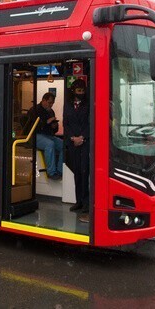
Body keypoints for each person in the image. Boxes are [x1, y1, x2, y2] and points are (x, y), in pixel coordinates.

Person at [64, 78, 90, 222]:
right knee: (76, 173)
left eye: (83, 91)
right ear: (73, 91)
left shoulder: (88, 105)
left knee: (84, 171)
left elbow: (90, 122)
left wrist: (83, 137)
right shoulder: (67, 105)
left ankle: (86, 203)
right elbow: (65, 123)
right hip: (73, 142)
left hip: (84, 143)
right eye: (78, 91)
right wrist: (72, 138)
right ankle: (78, 201)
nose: (81, 93)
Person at [26, 92, 63, 180]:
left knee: (63, 145)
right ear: (43, 100)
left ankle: (60, 170)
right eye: (50, 102)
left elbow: (54, 130)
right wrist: (47, 122)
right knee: (49, 144)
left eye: (52, 103)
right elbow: (31, 127)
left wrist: (54, 126)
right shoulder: (34, 110)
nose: (51, 105)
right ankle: (51, 172)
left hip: (47, 135)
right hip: (35, 135)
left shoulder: (51, 111)